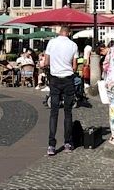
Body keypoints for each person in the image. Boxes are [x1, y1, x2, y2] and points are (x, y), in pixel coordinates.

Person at [44, 26, 78, 156]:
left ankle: (51, 145)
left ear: (59, 32)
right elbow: (74, 66)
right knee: (68, 112)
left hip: (55, 79)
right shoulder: (73, 45)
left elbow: (46, 61)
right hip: (68, 79)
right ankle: (68, 143)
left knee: (54, 112)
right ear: (68, 33)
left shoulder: (52, 43)